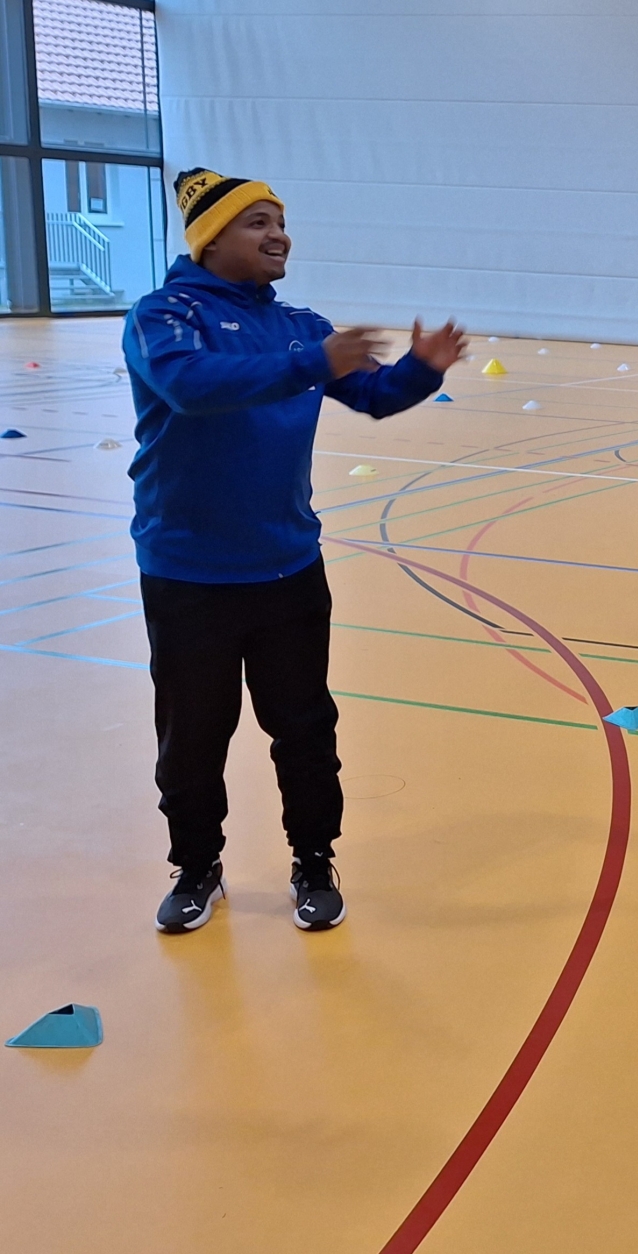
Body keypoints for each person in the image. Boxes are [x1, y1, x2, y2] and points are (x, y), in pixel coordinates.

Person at [128, 168, 467, 935]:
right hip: (187, 575)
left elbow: (374, 395)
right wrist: (316, 362)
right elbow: (191, 386)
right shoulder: (165, 315)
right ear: (211, 238)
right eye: (258, 222)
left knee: (306, 728)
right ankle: (197, 867)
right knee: (192, 738)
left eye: (280, 221)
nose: (279, 234)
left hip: (287, 569)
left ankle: (313, 861)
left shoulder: (300, 325)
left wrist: (421, 370)